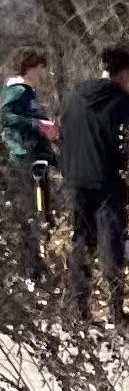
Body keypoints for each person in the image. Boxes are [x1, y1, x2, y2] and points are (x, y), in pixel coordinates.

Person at [60, 47, 129, 330]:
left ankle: (79, 310)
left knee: (81, 242)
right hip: (109, 182)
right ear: (125, 72)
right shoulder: (124, 103)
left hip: (75, 179)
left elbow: (62, 134)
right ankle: (116, 312)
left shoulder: (73, 96)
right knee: (111, 244)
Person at [0, 47, 59, 286]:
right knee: (28, 216)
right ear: (31, 67)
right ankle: (28, 273)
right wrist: (37, 124)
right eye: (42, 67)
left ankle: (36, 265)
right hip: (23, 162)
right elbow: (4, 116)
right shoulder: (17, 91)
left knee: (38, 214)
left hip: (35, 162)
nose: (45, 73)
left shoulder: (27, 93)